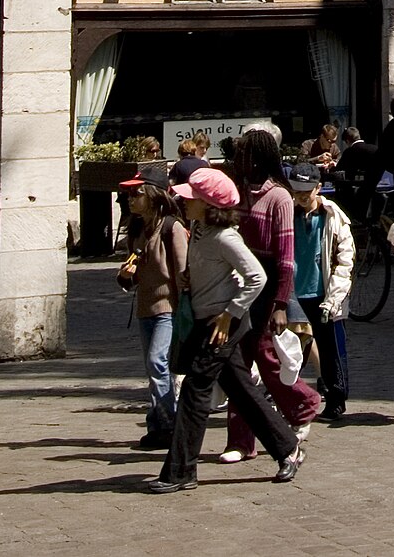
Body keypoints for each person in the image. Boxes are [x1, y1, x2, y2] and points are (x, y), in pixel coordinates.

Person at [147, 167, 302, 492]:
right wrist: (190, 277)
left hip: (222, 326)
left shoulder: (225, 237)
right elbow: (207, 268)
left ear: (209, 204)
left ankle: (180, 471)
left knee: (195, 390)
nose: (184, 201)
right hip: (206, 321)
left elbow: (257, 277)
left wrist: (230, 313)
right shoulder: (198, 227)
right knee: (241, 390)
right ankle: (288, 448)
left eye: (192, 198)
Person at [221, 127, 324, 462]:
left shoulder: (279, 197)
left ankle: (303, 403)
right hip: (237, 285)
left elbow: (286, 257)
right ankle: (240, 441)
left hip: (265, 286)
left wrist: (281, 303)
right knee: (237, 363)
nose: (240, 160)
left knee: (265, 358)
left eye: (246, 155)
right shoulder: (236, 191)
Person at [117, 162, 190, 448]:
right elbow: (133, 277)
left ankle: (169, 424)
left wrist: (186, 310)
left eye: (137, 194)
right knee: (153, 368)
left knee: (157, 363)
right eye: (129, 195)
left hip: (168, 309)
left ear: (154, 195)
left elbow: (183, 274)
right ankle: (157, 424)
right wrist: (126, 276)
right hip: (145, 308)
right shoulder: (137, 229)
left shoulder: (172, 228)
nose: (131, 199)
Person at [287, 163, 355, 420]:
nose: (302, 196)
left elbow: (344, 260)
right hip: (294, 293)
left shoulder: (333, 217)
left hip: (323, 292)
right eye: (297, 191)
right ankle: (289, 399)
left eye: (306, 191)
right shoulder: (288, 213)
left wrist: (334, 299)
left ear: (318, 188)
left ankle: (336, 400)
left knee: (331, 351)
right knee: (290, 351)